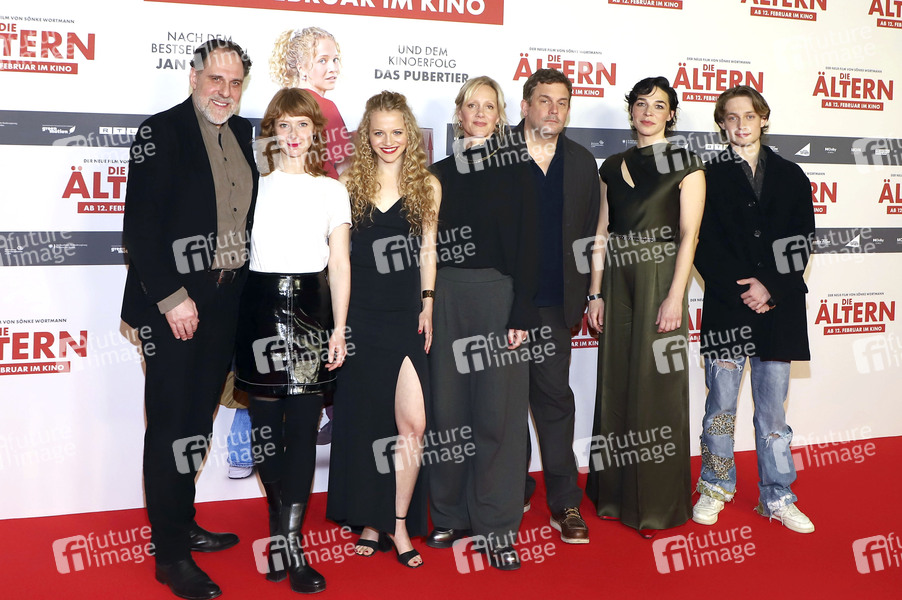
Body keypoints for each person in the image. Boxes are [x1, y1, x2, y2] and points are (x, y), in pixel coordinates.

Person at [121, 39, 257, 600]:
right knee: (171, 426)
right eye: (215, 79)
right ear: (194, 77)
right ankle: (170, 554)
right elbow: (140, 227)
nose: (224, 91)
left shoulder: (246, 133)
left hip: (226, 302)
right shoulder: (161, 131)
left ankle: (182, 521)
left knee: (199, 423)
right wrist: (172, 297)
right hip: (173, 305)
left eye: (235, 83)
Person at [234, 87, 351, 592]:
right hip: (258, 308)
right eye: (285, 124)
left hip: (312, 310)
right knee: (265, 431)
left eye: (304, 125)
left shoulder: (331, 190)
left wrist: (339, 328)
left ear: (315, 133)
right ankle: (281, 531)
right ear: (272, 132)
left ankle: (290, 544)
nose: (295, 134)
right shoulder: (253, 185)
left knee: (302, 430)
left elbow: (340, 264)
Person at [426, 76, 540, 570]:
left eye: (488, 106)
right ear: (459, 113)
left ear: (500, 116)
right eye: (470, 105)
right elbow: (424, 250)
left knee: (499, 416)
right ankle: (449, 515)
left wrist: (522, 312)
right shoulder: (435, 175)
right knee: (447, 411)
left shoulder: (519, 171)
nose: (478, 113)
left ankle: (497, 528)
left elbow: (531, 247)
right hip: (447, 298)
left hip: (499, 299)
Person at [585, 76, 705, 538]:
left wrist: (675, 296)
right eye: (640, 104)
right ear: (631, 110)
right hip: (617, 278)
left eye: (658, 105)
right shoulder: (612, 166)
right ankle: (614, 495)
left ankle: (655, 503)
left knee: (657, 386)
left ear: (671, 114)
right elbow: (602, 232)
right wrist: (595, 293)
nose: (648, 112)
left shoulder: (687, 163)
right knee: (615, 382)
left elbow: (689, 235)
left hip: (660, 276)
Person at [691, 86, 815, 533]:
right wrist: (744, 288)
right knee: (720, 409)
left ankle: (777, 494)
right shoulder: (707, 176)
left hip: (778, 311)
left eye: (749, 115)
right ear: (721, 124)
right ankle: (714, 486)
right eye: (731, 117)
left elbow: (802, 239)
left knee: (773, 415)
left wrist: (771, 288)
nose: (741, 124)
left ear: (763, 119)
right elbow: (699, 242)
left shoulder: (791, 174)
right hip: (728, 307)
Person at [326, 91, 440, 569]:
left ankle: (398, 523)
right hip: (361, 316)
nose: (388, 140)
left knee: (413, 423)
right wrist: (339, 324)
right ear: (366, 136)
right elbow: (338, 260)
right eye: (378, 132)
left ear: (408, 134)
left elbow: (429, 249)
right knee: (368, 422)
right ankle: (371, 522)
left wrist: (428, 302)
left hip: (406, 316)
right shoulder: (346, 183)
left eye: (396, 132)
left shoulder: (427, 185)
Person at [516, 68, 599, 544]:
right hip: (501, 305)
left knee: (554, 402)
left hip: (553, 307)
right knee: (502, 407)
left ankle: (565, 501)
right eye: (544, 100)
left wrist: (587, 294)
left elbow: (589, 236)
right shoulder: (496, 154)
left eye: (562, 102)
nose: (553, 109)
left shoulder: (582, 162)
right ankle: (511, 489)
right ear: (525, 105)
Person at [271, 27, 351, 179]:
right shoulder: (325, 107)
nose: (333, 68)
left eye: (335, 59)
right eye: (323, 60)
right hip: (325, 188)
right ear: (301, 67)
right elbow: (344, 168)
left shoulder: (280, 104)